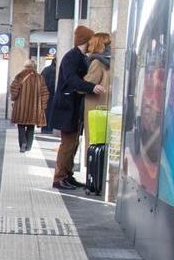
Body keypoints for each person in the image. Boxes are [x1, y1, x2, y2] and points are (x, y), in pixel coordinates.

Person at [52, 25, 107, 190]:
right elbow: (71, 80)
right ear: (86, 40)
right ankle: (59, 178)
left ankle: (68, 175)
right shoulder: (72, 57)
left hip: (73, 108)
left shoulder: (81, 57)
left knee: (73, 143)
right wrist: (92, 87)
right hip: (66, 108)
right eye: (91, 39)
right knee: (67, 144)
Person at [8, 60, 48, 152]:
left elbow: (13, 89)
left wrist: (14, 98)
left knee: (21, 126)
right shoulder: (40, 78)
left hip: (21, 107)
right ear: (34, 67)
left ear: (25, 66)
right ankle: (28, 146)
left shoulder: (20, 76)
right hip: (34, 109)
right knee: (31, 127)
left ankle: (23, 143)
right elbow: (45, 93)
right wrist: (43, 106)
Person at [40, 59, 56, 133]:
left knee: (45, 111)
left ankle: (44, 127)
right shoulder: (55, 70)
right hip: (52, 94)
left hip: (44, 93)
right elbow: (52, 83)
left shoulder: (46, 69)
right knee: (51, 111)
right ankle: (49, 128)